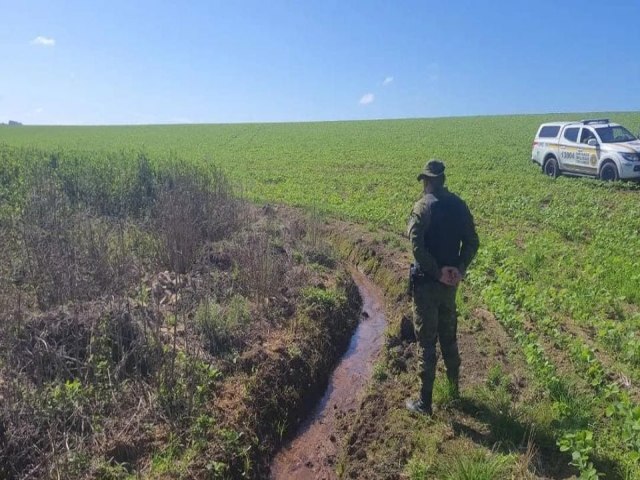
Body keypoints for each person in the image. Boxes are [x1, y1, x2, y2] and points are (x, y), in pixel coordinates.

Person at [406, 159, 479, 415]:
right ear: (443, 181)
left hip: (427, 285)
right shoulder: (459, 206)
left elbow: (417, 248)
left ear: (427, 181)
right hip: (450, 285)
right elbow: (472, 242)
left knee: (426, 342)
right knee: (449, 336)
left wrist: (436, 272)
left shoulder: (422, 208)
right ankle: (454, 391)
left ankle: (425, 403)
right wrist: (458, 269)